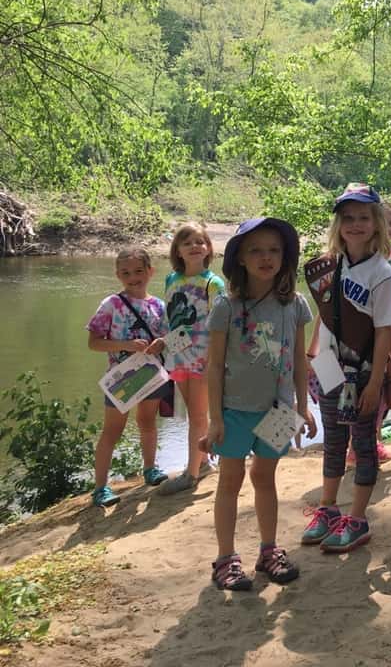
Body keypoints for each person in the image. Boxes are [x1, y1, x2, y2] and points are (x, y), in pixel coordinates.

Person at [203, 218, 315, 590]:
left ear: (286, 257)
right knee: (230, 481)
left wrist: (303, 406)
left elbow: (300, 360)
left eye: (274, 250)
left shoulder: (294, 304)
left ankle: (269, 551)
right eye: (256, 250)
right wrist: (214, 417)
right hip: (234, 409)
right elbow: (214, 366)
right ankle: (224, 559)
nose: (266, 257)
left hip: (279, 409)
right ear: (241, 259)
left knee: (265, 478)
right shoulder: (227, 306)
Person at [301, 183, 391, 553]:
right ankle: (328, 509)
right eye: (348, 218)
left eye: (363, 217)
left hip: (361, 373)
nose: (355, 224)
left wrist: (377, 381)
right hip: (328, 366)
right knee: (333, 441)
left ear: (376, 223)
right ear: (338, 224)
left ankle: (357, 518)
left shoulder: (383, 273)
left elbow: (386, 331)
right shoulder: (330, 265)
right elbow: (326, 318)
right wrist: (312, 358)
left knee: (362, 442)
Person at [86, 247, 170, 507]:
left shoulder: (158, 305)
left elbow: (167, 338)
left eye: (138, 271)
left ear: (150, 271)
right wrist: (125, 344)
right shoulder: (111, 304)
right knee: (112, 431)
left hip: (150, 374)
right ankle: (100, 488)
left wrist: (160, 344)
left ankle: (150, 469)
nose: (133, 277)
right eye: (126, 273)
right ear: (118, 275)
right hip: (120, 378)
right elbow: (94, 343)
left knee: (147, 422)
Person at [159, 222, 225, 495]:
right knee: (193, 414)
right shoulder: (171, 280)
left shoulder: (213, 283)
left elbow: (219, 325)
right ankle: (204, 461)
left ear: (208, 247)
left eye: (200, 242)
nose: (195, 247)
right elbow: (169, 318)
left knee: (199, 414)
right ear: (178, 250)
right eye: (187, 243)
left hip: (203, 358)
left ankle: (191, 473)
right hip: (177, 355)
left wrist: (214, 359)